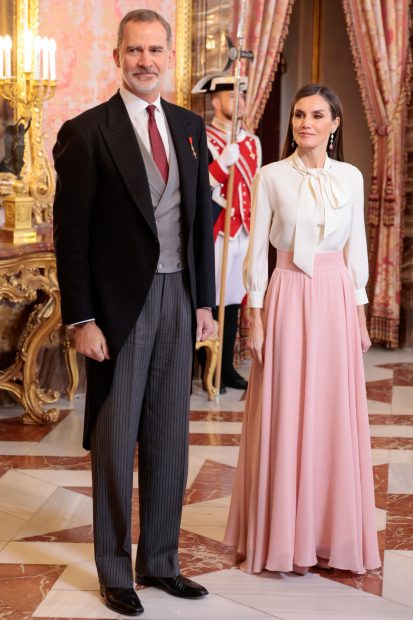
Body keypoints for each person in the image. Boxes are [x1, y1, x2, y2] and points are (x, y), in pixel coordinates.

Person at [53, 10, 215, 617]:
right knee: (117, 440)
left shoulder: (189, 127)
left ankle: (162, 563)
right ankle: (115, 569)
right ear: (116, 57)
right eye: (134, 50)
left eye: (155, 49)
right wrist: (82, 318)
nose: (145, 60)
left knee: (171, 437)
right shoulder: (86, 131)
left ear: (169, 55)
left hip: (178, 297)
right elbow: (70, 237)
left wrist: (203, 301)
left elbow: (199, 222)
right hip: (118, 310)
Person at [224, 84, 381, 576]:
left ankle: (329, 532)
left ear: (335, 123)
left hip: (335, 297)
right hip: (288, 292)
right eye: (298, 115)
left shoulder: (351, 178)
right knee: (283, 407)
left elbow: (357, 244)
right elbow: (256, 251)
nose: (305, 123)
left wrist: (358, 309)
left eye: (317, 115)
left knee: (333, 410)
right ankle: (281, 534)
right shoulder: (270, 176)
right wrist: (255, 312)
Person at [192, 73, 262, 391]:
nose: (240, 102)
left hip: (243, 230)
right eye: (233, 97)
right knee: (211, 298)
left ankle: (227, 368)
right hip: (217, 230)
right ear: (216, 102)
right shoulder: (202, 137)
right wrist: (221, 162)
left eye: (242, 96)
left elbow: (256, 185)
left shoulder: (252, 141)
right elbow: (197, 187)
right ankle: (209, 371)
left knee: (233, 300)